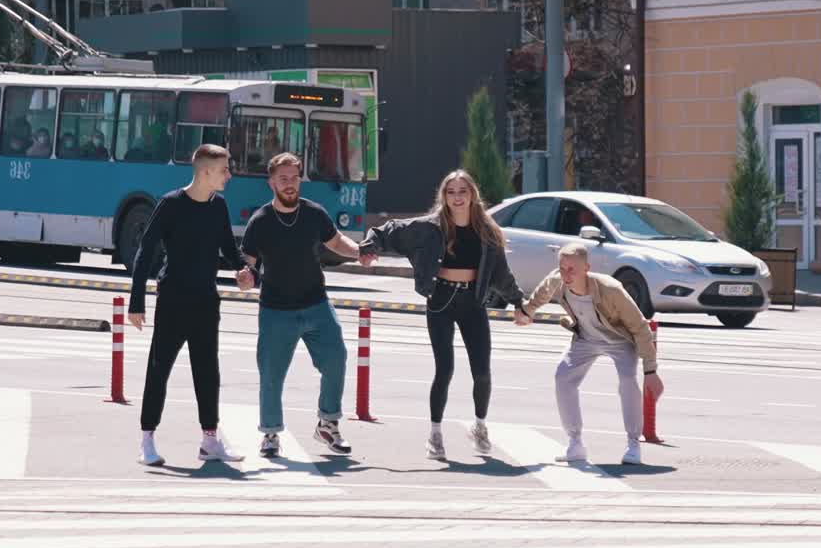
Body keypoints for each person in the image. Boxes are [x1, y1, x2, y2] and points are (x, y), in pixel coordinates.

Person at [359, 169, 525, 462]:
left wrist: (518, 303)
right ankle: (435, 434)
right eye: (451, 192)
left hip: (472, 302)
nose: (457, 197)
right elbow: (390, 230)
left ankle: (480, 425)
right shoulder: (430, 227)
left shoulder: (488, 232)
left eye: (463, 191)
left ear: (473, 194)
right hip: (441, 301)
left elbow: (501, 274)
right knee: (444, 369)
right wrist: (370, 245)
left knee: (482, 372)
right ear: (444, 197)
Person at [128, 144, 254, 467]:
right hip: (172, 299)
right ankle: (147, 439)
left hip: (206, 300)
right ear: (206, 171)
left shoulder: (218, 205)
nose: (229, 175)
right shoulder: (171, 204)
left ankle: (210, 440)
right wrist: (137, 300)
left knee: (207, 371)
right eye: (224, 169)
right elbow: (145, 250)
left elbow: (228, 247)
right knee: (159, 369)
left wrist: (242, 269)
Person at [240, 152, 359, 459]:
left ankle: (327, 424)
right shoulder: (260, 221)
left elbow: (335, 242)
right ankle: (270, 433)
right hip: (276, 311)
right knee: (271, 374)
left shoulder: (314, 213)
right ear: (271, 183)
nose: (290, 184)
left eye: (294, 178)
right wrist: (245, 277)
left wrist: (359, 252)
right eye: (283, 179)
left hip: (316, 305)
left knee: (336, 359)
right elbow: (248, 263)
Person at [516, 240, 664, 466]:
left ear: (587, 268)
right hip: (586, 339)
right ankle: (575, 444)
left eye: (572, 269)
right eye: (563, 268)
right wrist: (527, 311)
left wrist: (651, 370)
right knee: (562, 378)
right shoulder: (558, 279)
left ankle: (633, 444)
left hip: (619, 339)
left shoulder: (611, 289)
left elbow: (640, 327)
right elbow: (543, 293)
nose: (566, 274)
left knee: (627, 380)